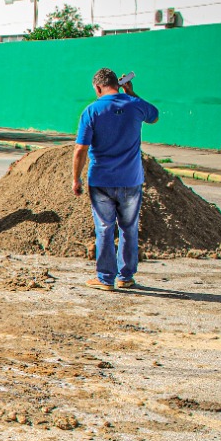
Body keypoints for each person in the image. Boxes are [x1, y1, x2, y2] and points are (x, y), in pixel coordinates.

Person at [72, 68, 160, 291]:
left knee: (104, 228)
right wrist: (133, 94)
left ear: (98, 87)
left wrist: (76, 179)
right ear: (118, 84)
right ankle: (126, 276)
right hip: (131, 179)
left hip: (101, 180)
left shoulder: (92, 111)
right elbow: (155, 116)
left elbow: (81, 149)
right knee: (129, 228)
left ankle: (105, 279)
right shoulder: (134, 105)